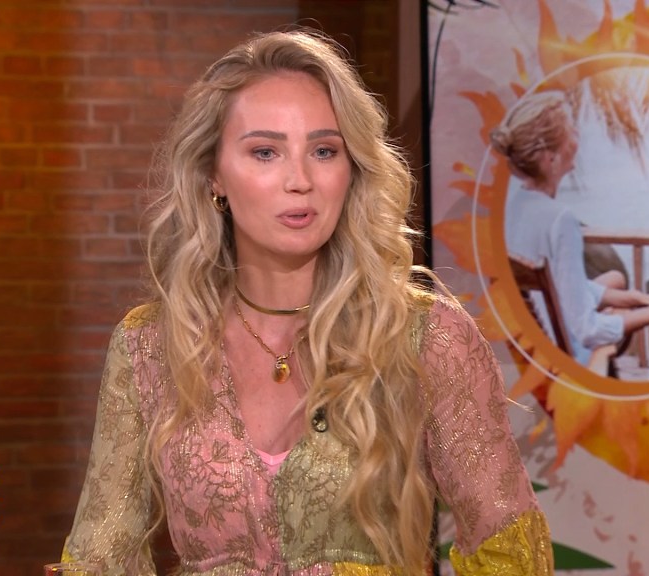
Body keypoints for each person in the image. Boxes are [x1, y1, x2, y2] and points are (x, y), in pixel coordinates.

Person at [61, 30, 552, 575]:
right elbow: (100, 557)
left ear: (352, 168)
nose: (300, 181)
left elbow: (510, 548)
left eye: (323, 151)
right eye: (265, 152)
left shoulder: (425, 336)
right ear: (213, 176)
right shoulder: (150, 345)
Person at [492, 90, 649, 366]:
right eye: (571, 131)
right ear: (550, 158)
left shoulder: (516, 207)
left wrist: (640, 299)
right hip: (572, 357)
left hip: (539, 344)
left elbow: (562, 288)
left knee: (617, 285)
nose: (577, 137)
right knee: (628, 312)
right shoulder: (560, 220)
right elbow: (587, 330)